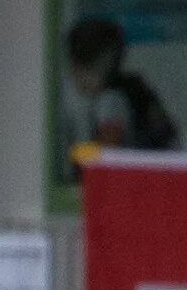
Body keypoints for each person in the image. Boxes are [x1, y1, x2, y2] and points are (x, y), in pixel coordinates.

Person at [60, 17, 177, 177]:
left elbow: (107, 157)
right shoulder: (132, 89)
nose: (72, 75)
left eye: (75, 67)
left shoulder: (110, 101)